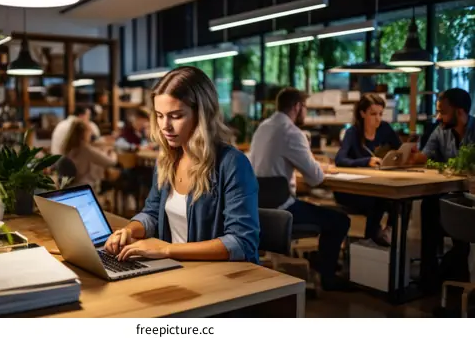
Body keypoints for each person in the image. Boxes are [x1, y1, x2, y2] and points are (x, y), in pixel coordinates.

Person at [103, 66, 260, 263]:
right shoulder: (168, 158)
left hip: (218, 278)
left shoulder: (232, 164)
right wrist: (128, 230)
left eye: (176, 116)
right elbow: (152, 213)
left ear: (202, 114)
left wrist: (168, 250)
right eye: (159, 115)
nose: (165, 126)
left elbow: (241, 242)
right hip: (176, 268)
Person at [249, 87, 351, 291]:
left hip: (258, 208)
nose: (306, 112)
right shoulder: (292, 132)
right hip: (284, 209)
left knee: (325, 213)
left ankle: (319, 261)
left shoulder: (263, 127)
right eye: (305, 107)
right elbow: (315, 179)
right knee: (340, 220)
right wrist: (320, 166)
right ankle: (328, 278)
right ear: (297, 107)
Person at [409, 88, 475, 290]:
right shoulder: (441, 130)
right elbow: (425, 155)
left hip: (470, 199)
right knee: (429, 206)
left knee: (456, 215)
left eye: (443, 112)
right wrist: (413, 155)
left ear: (461, 113)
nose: (439, 117)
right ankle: (430, 278)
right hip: (449, 195)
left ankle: (451, 273)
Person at [334, 94, 402, 246]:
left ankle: (386, 233)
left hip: (377, 185)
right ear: (362, 113)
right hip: (352, 190)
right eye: (373, 114)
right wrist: (367, 161)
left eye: (380, 114)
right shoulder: (353, 132)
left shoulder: (385, 129)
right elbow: (340, 160)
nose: (378, 119)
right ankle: (371, 239)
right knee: (379, 200)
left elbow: (400, 151)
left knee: (400, 201)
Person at [61, 119, 117, 188]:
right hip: (84, 185)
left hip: (70, 185)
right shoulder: (85, 149)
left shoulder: (69, 146)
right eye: (89, 132)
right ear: (84, 133)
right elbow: (111, 162)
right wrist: (112, 152)